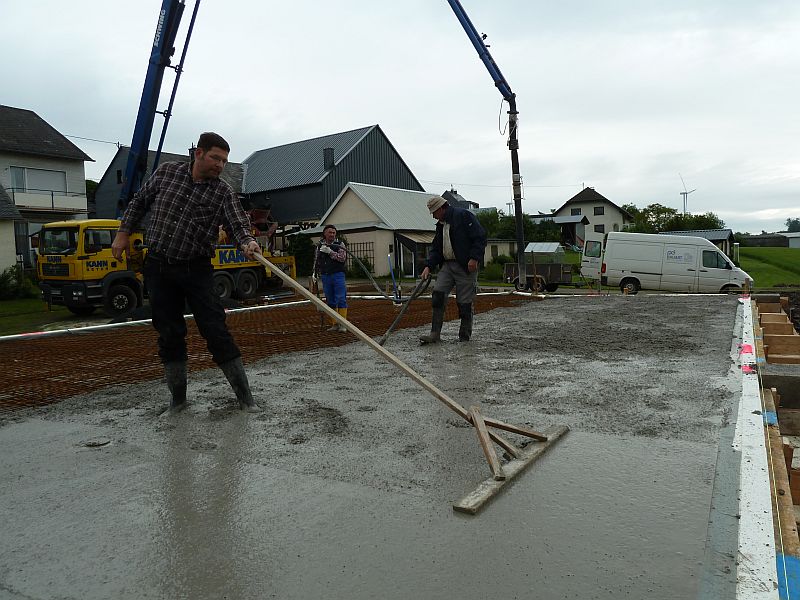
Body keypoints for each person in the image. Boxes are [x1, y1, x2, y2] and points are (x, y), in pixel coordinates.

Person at [111, 132, 262, 413]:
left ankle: (246, 400)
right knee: (169, 333)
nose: (220, 165)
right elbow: (139, 202)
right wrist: (123, 233)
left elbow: (238, 223)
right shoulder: (167, 173)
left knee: (216, 330)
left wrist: (248, 242)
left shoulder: (222, 191)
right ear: (199, 153)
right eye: (216, 158)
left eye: (224, 161)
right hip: (158, 266)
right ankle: (178, 401)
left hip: (197, 269)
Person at [419, 195, 487, 344]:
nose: (433, 216)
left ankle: (464, 336)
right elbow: (437, 248)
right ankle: (434, 334)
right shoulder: (441, 225)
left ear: (442, 208)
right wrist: (428, 265)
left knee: (464, 302)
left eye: (434, 212)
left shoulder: (463, 216)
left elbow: (480, 237)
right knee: (438, 295)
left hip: (465, 266)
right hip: (448, 265)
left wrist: (474, 258)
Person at [313, 224, 348, 332]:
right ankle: (335, 324)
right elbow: (316, 260)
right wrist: (314, 272)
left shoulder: (340, 244)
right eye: (330, 232)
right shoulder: (320, 246)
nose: (332, 235)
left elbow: (342, 258)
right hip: (325, 275)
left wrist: (330, 252)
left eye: (333, 233)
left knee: (341, 299)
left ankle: (343, 324)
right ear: (325, 234)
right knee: (330, 300)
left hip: (338, 274)